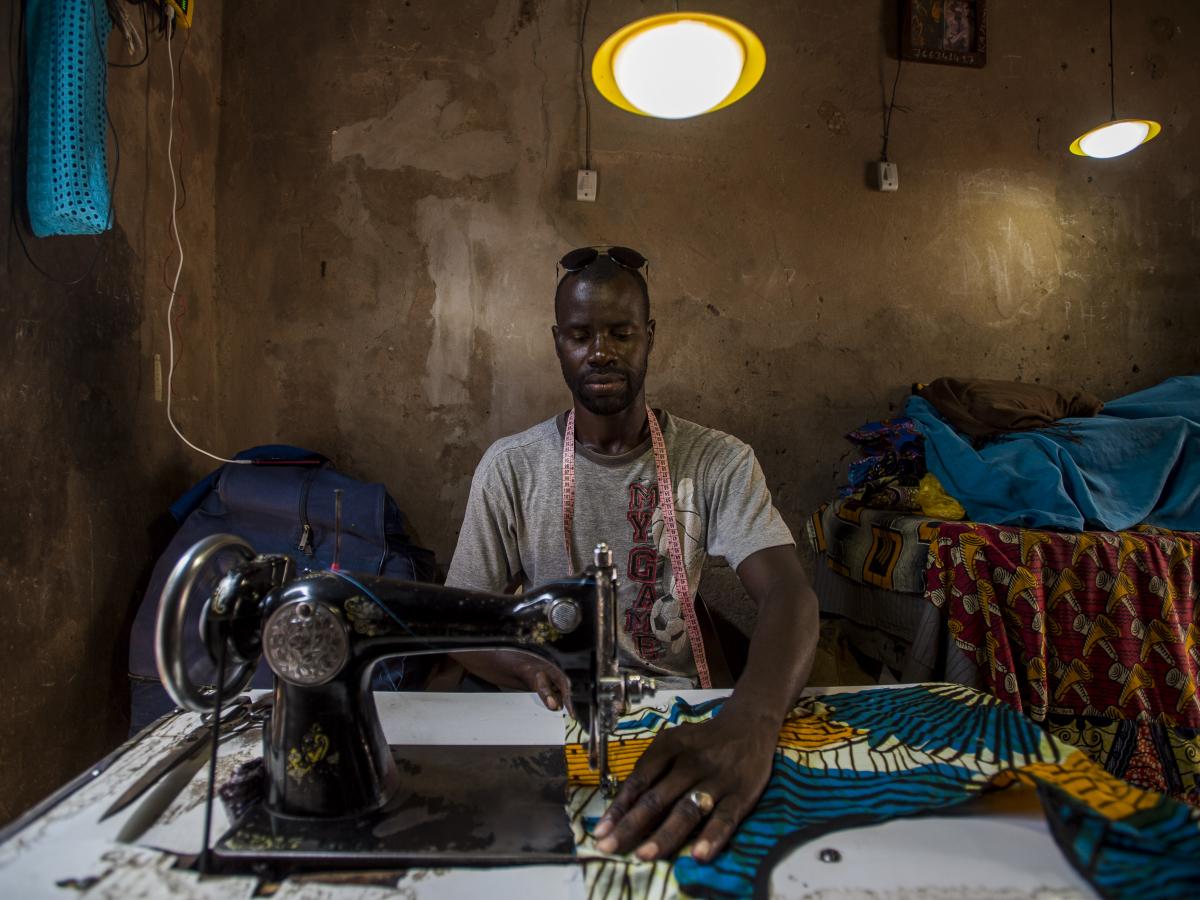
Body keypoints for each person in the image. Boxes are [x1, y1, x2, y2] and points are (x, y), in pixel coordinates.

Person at [444, 246, 820, 863]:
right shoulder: (511, 468)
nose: (601, 351)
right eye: (580, 334)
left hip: (682, 714)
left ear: (650, 337)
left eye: (621, 332)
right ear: (557, 342)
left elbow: (789, 595)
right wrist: (522, 667)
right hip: (555, 708)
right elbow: (463, 617)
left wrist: (751, 724)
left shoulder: (718, 462)